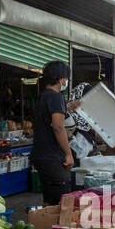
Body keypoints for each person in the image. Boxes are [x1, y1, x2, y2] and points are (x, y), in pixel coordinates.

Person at [30, 60, 74, 206]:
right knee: (62, 202)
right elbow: (58, 127)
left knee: (49, 199)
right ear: (61, 79)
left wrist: (68, 107)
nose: (66, 81)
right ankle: (59, 228)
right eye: (66, 79)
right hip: (52, 157)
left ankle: (46, 225)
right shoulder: (56, 97)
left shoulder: (42, 96)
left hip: (40, 155)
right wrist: (68, 153)